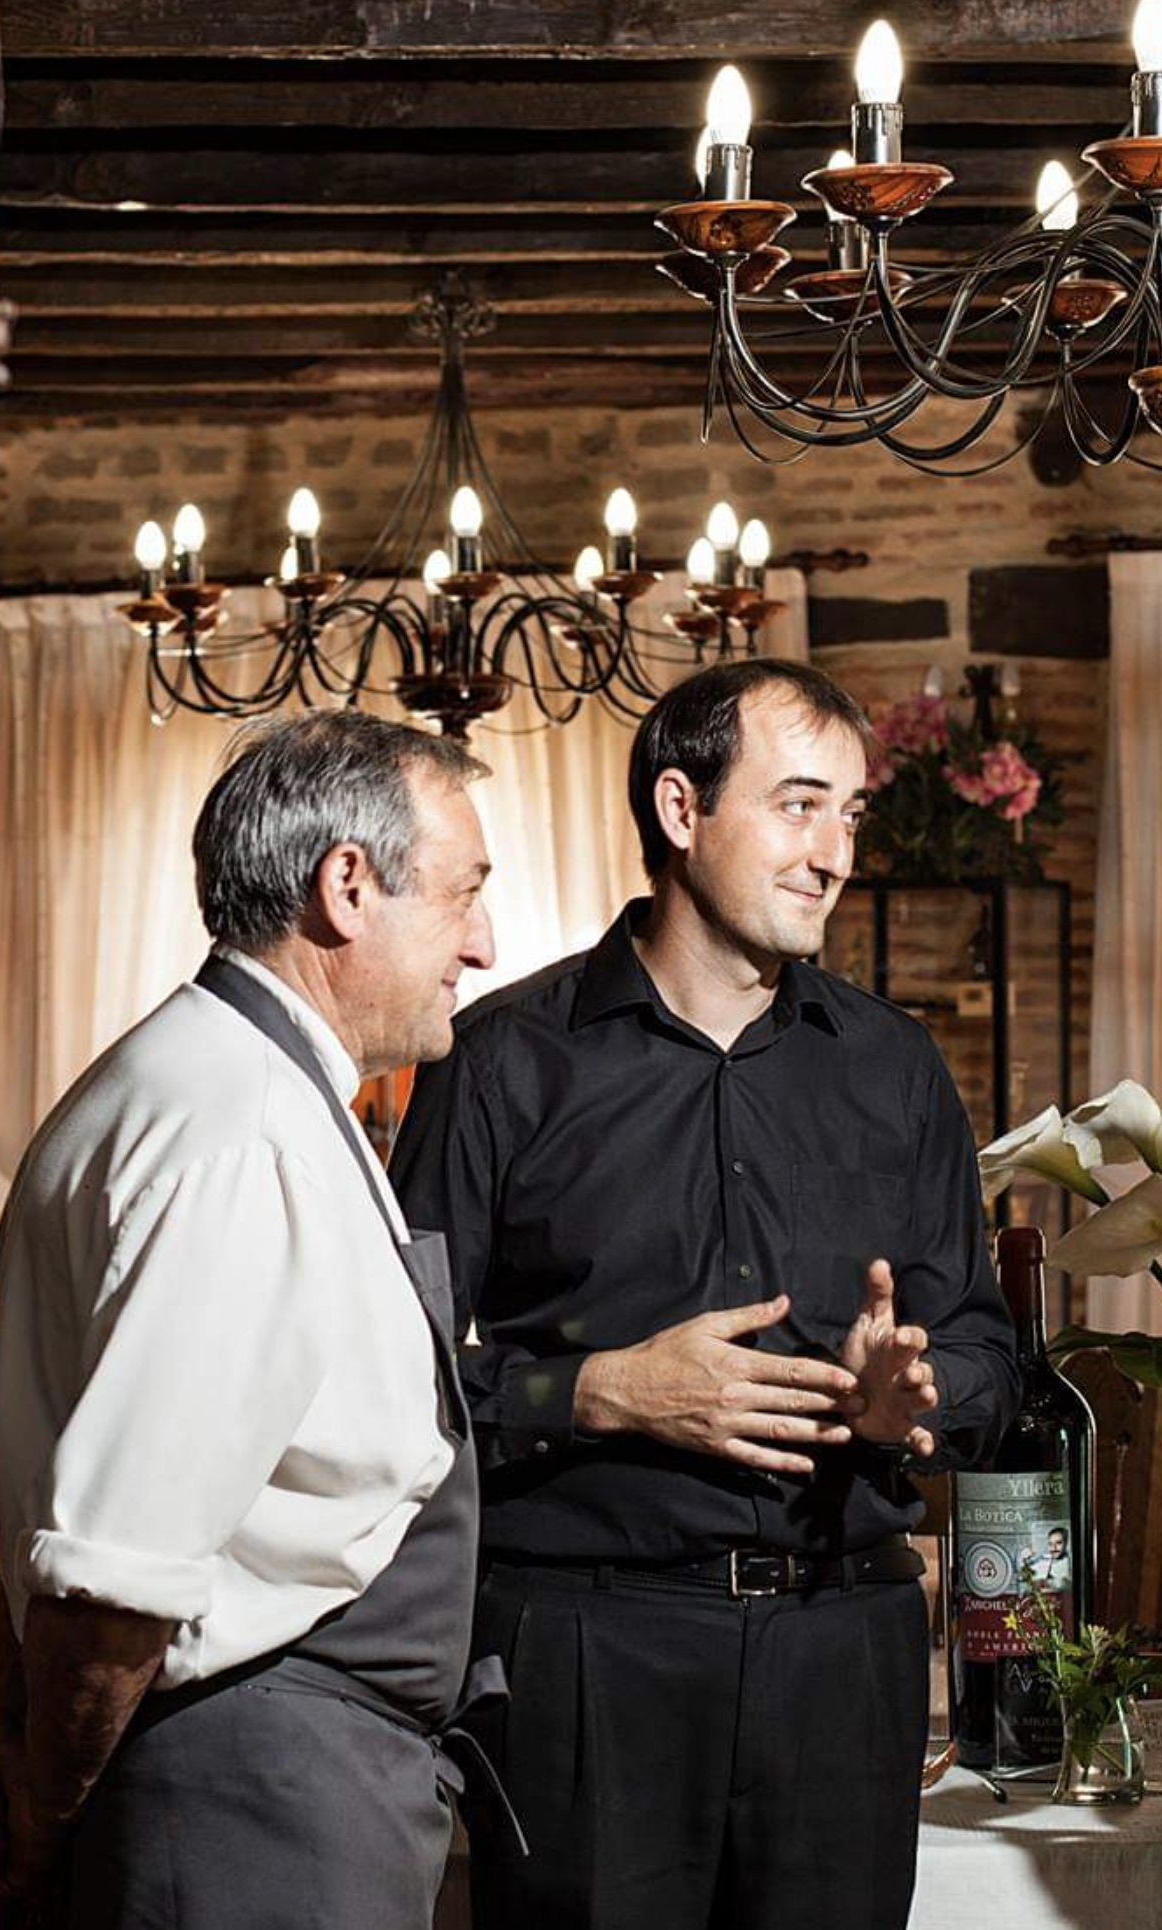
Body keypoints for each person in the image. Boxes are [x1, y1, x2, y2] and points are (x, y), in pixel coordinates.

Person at [390, 658, 1021, 1930]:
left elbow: (987, 1352)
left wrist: (921, 1395)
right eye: (798, 806)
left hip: (841, 1656)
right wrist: (597, 1391)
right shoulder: (504, 1062)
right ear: (681, 812)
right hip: (584, 1656)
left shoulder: (896, 1068)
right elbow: (380, 1372)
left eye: (851, 813)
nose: (834, 852)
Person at [0, 710, 504, 1929]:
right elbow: (115, 1581)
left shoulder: (234, 1082)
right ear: (346, 886)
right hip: (247, 1803)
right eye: (464, 893)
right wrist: (39, 1828)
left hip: (288, 1786)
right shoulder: (242, 1129)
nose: (483, 944)